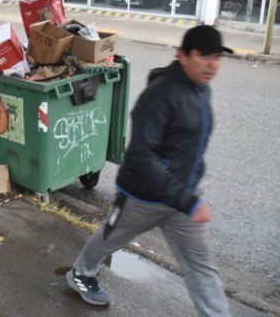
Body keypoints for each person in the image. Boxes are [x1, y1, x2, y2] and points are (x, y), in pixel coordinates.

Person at [66, 25, 232, 317]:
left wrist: (188, 190)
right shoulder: (160, 95)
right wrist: (187, 199)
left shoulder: (200, 90)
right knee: (110, 237)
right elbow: (141, 155)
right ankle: (81, 273)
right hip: (142, 197)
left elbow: (189, 144)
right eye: (204, 56)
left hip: (181, 199)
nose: (212, 64)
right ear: (182, 55)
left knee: (201, 267)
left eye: (217, 57)